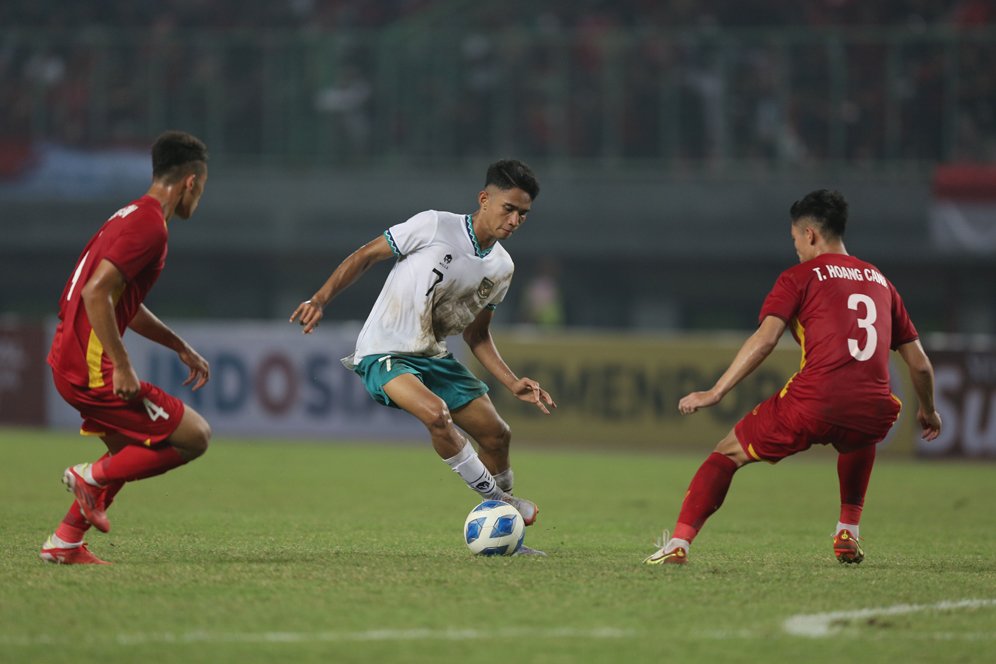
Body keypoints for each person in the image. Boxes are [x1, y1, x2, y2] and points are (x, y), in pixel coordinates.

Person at [644, 189, 942, 566]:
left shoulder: (799, 276)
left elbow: (765, 339)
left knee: (726, 453)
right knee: (859, 434)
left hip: (814, 401)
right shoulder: (882, 282)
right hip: (873, 406)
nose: (796, 249)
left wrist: (716, 392)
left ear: (810, 235)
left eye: (795, 240)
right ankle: (848, 528)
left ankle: (679, 543)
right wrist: (928, 410)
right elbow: (920, 366)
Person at [290, 159, 556, 554]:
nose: (515, 220)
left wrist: (512, 381)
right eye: (509, 208)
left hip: (434, 356)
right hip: (384, 352)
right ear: (484, 199)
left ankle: (510, 538)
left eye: (523, 214)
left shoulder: (502, 267)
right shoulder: (434, 225)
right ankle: (502, 505)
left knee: (498, 435)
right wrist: (321, 298)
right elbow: (366, 255)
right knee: (436, 415)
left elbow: (477, 334)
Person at [41, 131, 213, 565]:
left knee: (129, 450)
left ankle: (64, 542)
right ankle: (89, 476)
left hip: (68, 356)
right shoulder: (149, 226)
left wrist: (178, 345)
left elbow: (121, 301)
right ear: (191, 181)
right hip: (89, 364)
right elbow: (96, 295)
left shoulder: (130, 215)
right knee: (194, 436)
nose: (200, 197)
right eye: (204, 187)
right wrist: (122, 364)